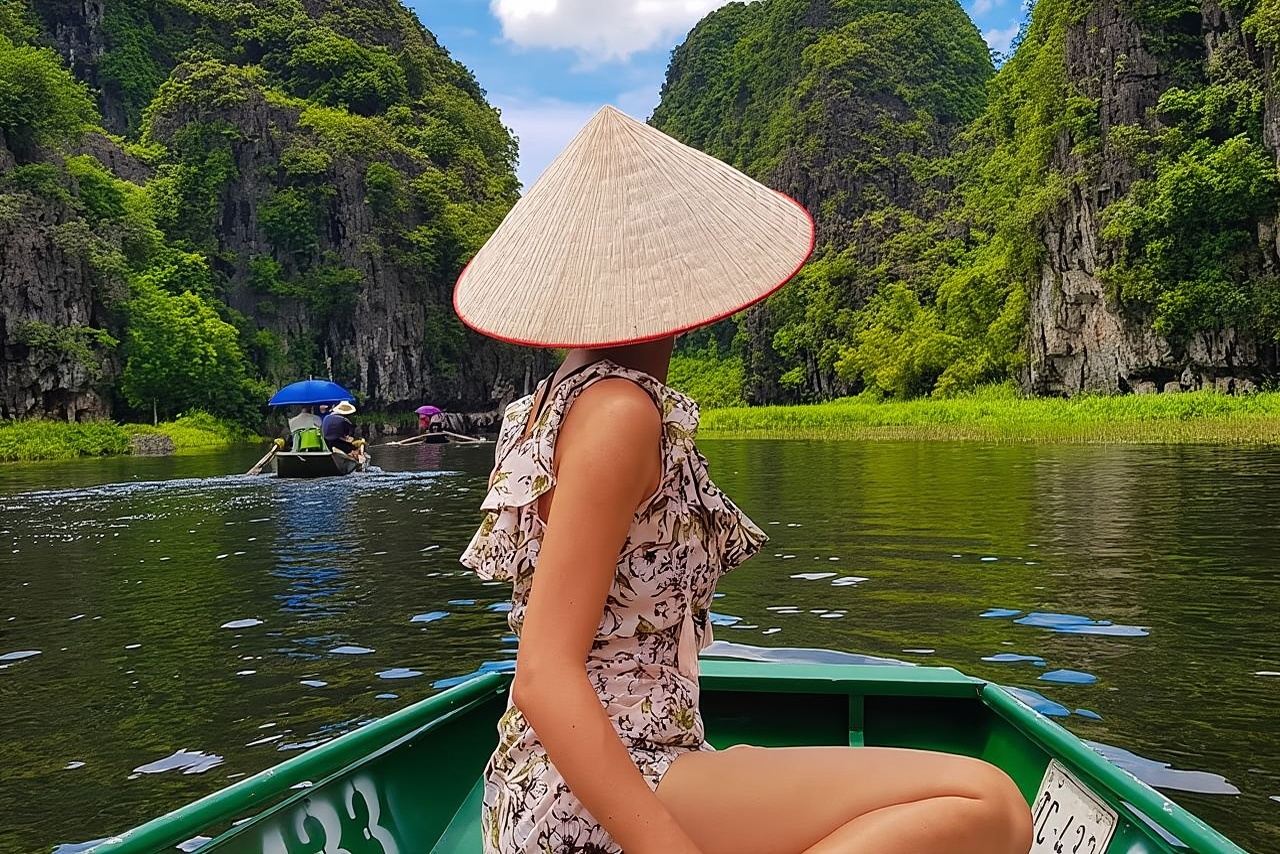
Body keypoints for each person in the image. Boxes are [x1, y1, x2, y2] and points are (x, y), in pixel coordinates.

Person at [454, 106, 1032, 854]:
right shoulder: (617, 412)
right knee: (989, 803)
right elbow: (542, 674)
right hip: (590, 785)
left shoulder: (558, 403)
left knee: (948, 797)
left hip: (617, 762)